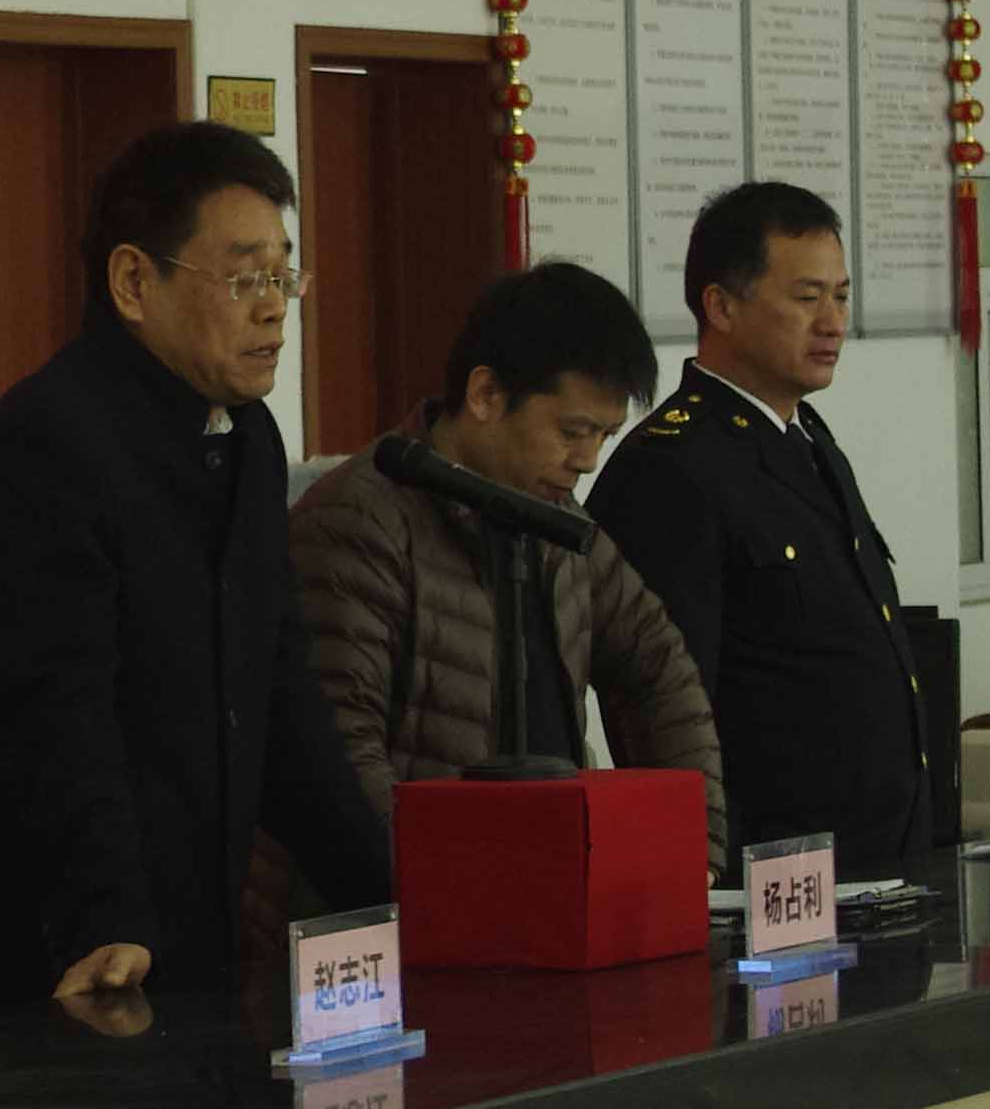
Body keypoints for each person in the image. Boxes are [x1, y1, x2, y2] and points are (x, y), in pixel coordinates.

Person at [0, 120, 390, 1017]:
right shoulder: (47, 441)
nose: (274, 308)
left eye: (284, 276)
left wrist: (391, 891)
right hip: (64, 962)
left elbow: (283, 700)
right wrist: (107, 917)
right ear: (134, 281)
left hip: (195, 949)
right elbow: (54, 715)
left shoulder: (248, 439)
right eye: (245, 278)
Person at [289, 260, 725, 838]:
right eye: (571, 432)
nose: (587, 460)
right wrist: (449, 876)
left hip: (542, 867)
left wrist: (694, 845)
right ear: (486, 394)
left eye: (604, 435)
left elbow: (660, 672)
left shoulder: (556, 516)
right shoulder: (359, 520)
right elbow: (340, 758)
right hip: (408, 880)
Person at [582, 179, 936, 882]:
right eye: (806, 298)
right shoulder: (672, 469)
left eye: (841, 297)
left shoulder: (807, 440)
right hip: (775, 881)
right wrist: (721, 877)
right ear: (721, 306)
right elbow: (659, 708)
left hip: (877, 863)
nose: (832, 323)